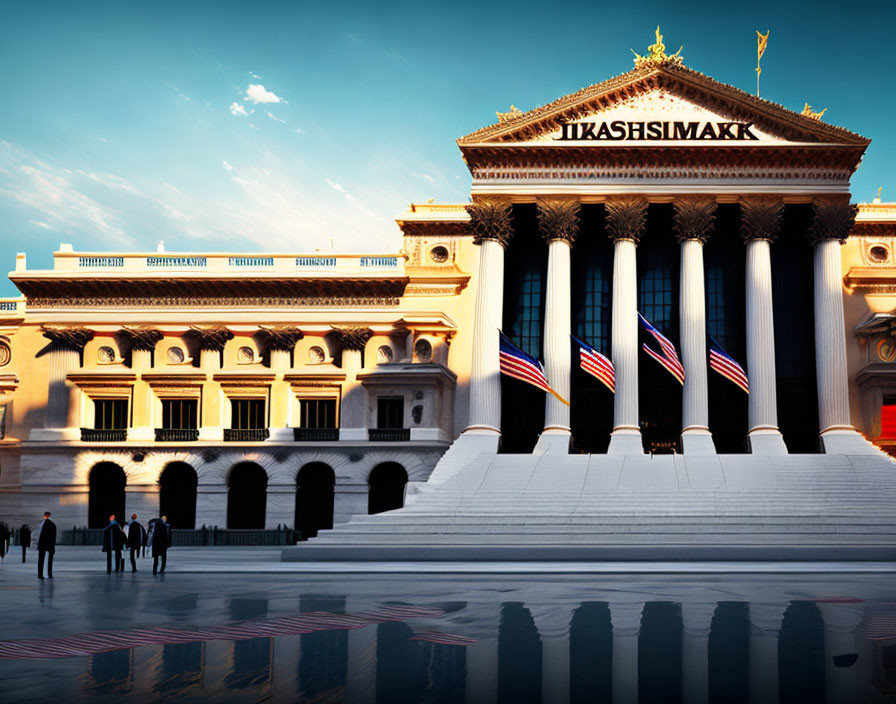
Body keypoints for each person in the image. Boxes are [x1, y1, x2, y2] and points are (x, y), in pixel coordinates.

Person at [35, 512, 57, 580]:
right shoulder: (51, 524)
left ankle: (41, 574)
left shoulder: (46, 524)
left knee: (41, 560)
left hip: (44, 544)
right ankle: (48, 574)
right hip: (47, 545)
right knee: (47, 560)